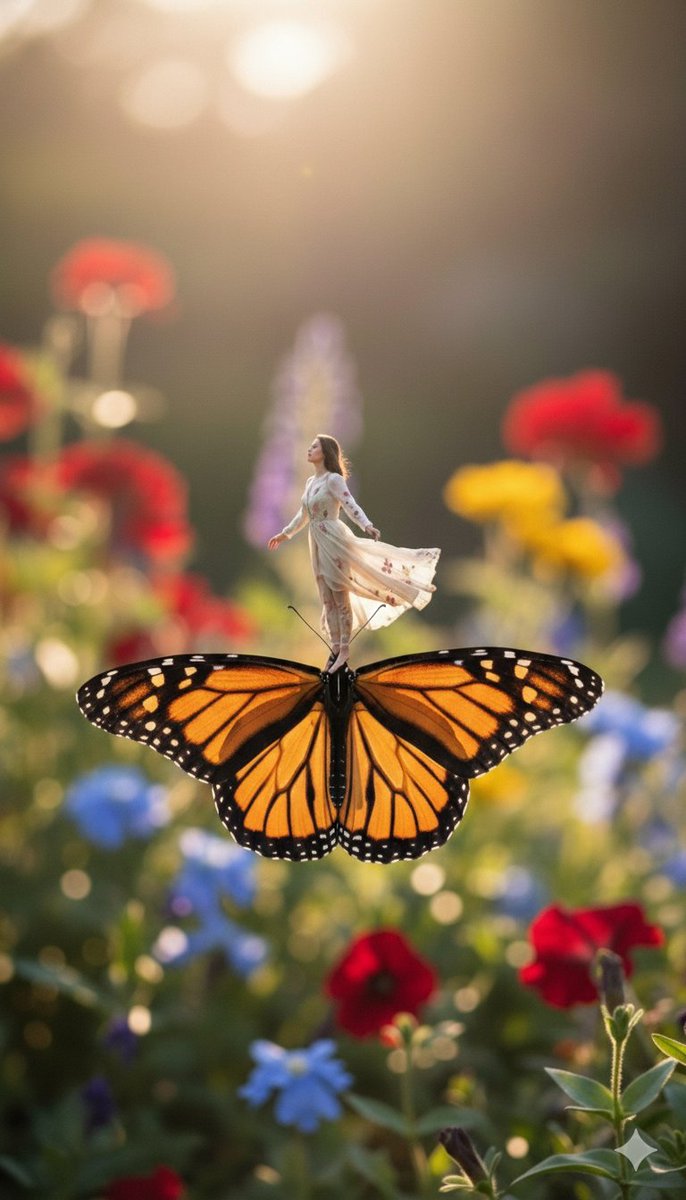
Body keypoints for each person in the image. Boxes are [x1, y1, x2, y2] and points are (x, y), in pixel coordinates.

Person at [268, 434, 440, 673]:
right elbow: (302, 515)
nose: (310, 449)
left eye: (315, 446)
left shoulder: (334, 480)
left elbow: (350, 505)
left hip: (334, 538)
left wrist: (366, 525)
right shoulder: (310, 483)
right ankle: (335, 647)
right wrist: (285, 534)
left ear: (326, 452)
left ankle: (345, 650)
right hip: (316, 540)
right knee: (326, 596)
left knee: (340, 593)